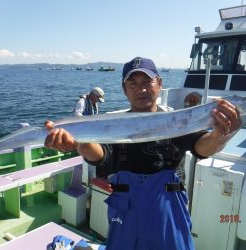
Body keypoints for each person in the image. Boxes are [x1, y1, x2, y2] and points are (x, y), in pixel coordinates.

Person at [45, 57, 242, 250]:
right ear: (124, 90)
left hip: (169, 213)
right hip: (126, 214)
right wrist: (80, 142)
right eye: (133, 83)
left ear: (159, 84)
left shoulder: (175, 120)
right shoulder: (115, 126)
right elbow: (100, 155)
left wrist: (221, 135)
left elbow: (201, 147)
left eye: (147, 81)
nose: (141, 89)